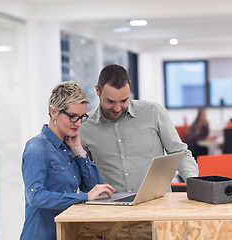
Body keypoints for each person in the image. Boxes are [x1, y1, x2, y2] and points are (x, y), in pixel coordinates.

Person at [79, 64, 198, 193]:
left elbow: (179, 152)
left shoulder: (154, 112)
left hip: (157, 203)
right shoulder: (84, 126)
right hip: (112, 207)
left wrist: (194, 183)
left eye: (124, 101)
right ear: (97, 91)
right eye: (110, 102)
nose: (117, 108)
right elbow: (84, 173)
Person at [20, 82, 115, 240]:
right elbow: (35, 196)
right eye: (72, 117)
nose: (78, 123)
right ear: (54, 112)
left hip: (67, 233)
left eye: (81, 117)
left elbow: (95, 189)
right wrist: (83, 197)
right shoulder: (36, 148)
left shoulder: (71, 146)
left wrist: (80, 152)